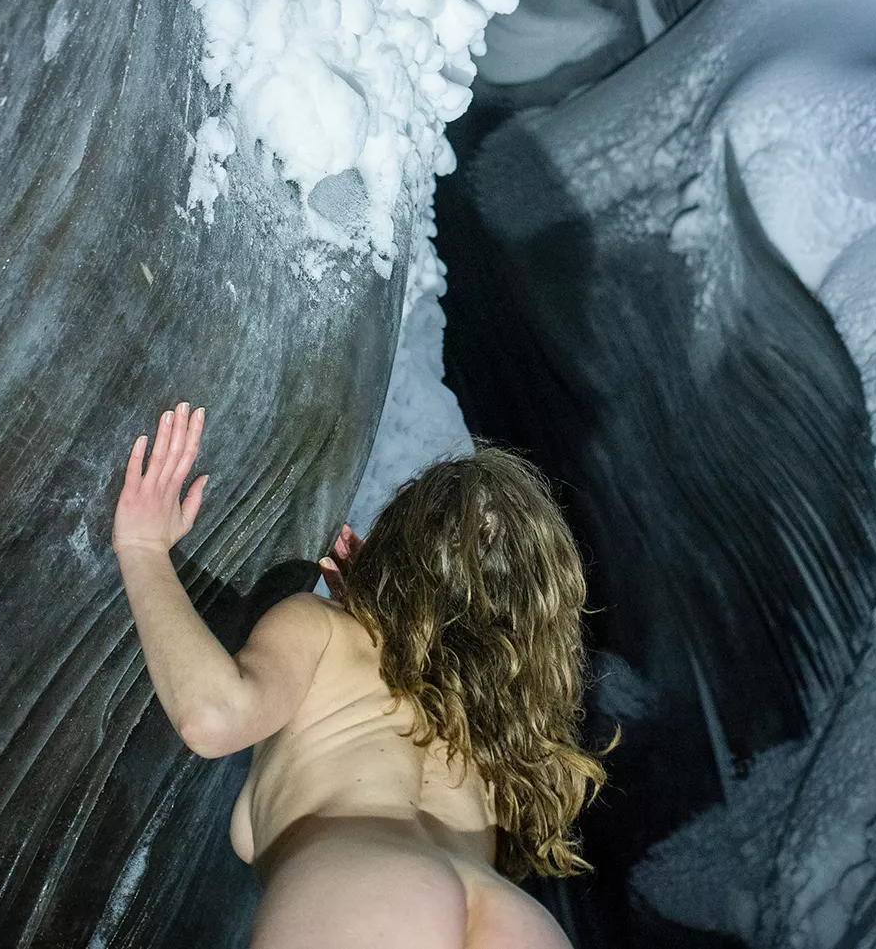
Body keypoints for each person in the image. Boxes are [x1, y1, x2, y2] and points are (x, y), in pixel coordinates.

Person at [111, 402, 609, 949]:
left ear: (394, 549)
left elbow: (213, 717)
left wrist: (142, 547)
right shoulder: (495, 725)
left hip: (369, 888)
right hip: (518, 920)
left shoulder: (324, 629)